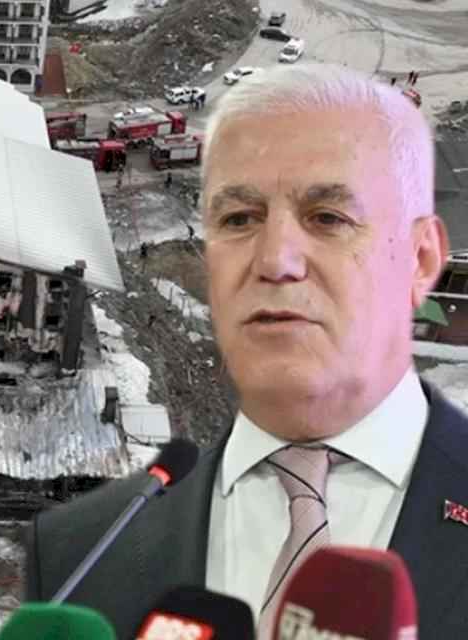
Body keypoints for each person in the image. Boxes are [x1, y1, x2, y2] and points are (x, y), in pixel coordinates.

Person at [24, 63, 466, 639]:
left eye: (328, 217)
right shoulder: (76, 552)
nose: (274, 260)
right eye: (238, 218)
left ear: (421, 259)